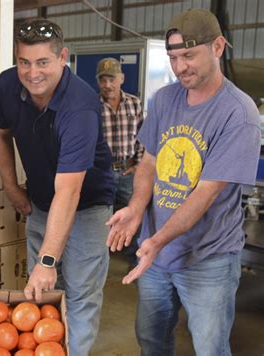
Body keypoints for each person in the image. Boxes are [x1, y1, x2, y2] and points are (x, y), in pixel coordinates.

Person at [106, 8, 261, 356]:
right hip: (156, 256)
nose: (179, 67)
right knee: (151, 341)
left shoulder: (239, 113)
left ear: (218, 47)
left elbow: (205, 193)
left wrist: (157, 240)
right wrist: (135, 207)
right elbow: (148, 161)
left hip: (209, 259)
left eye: (189, 55)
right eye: (173, 57)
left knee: (210, 348)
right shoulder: (165, 98)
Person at [0, 18, 115, 356]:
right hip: (42, 202)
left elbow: (70, 191)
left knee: (79, 293)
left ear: (63, 58)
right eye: (24, 62)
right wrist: (12, 186)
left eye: (43, 62)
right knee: (41, 291)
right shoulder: (6, 86)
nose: (32, 73)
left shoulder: (80, 106)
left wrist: (47, 259)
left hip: (88, 206)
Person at [96, 57, 144, 266]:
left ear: (121, 79)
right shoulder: (91, 105)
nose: (107, 85)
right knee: (99, 221)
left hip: (127, 173)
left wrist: (139, 165)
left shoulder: (134, 104)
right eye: (103, 80)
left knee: (133, 219)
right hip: (101, 174)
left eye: (112, 79)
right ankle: (99, 267)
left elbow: (144, 136)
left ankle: (136, 264)